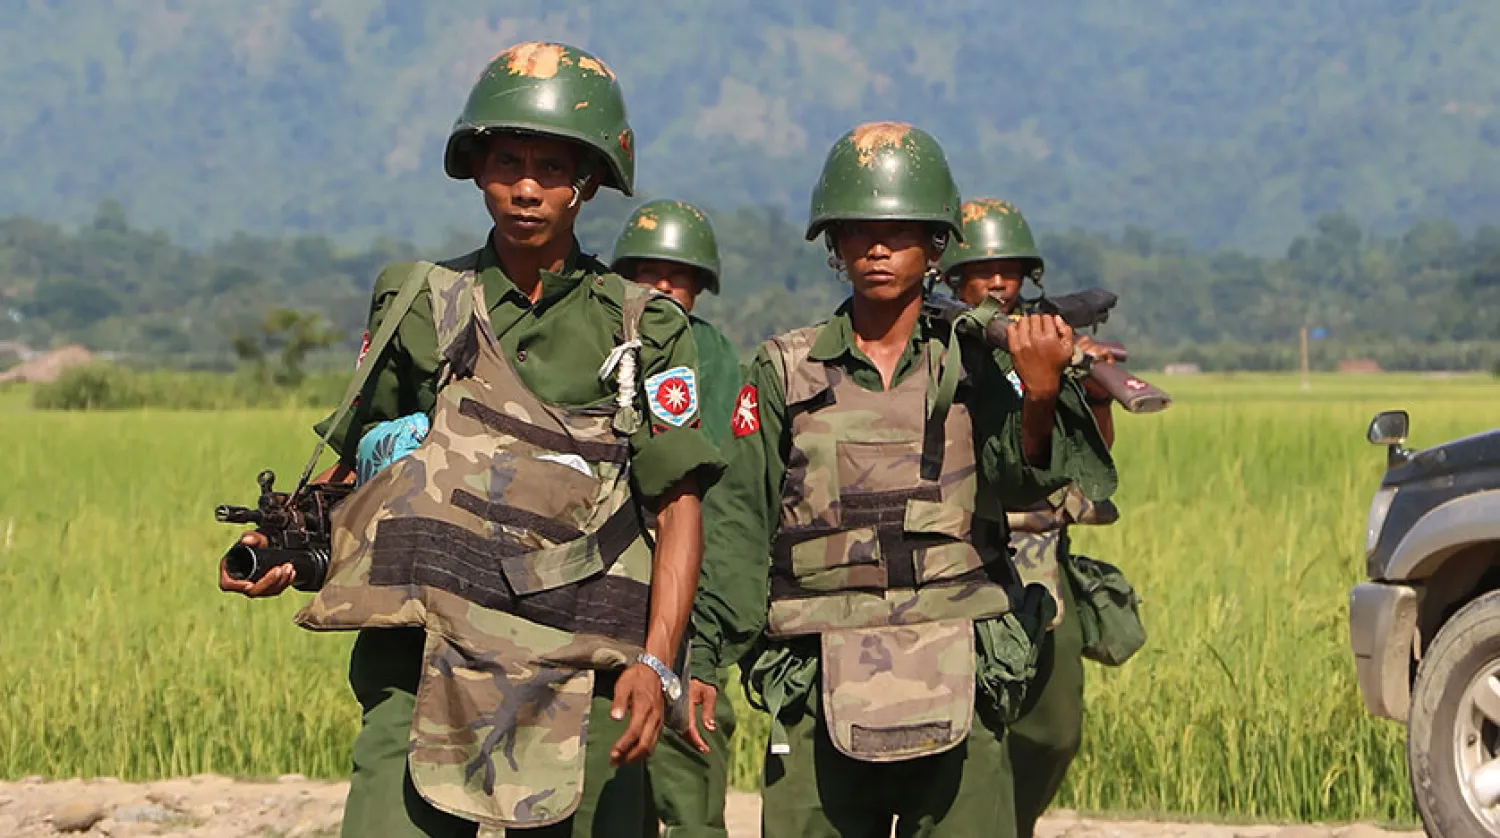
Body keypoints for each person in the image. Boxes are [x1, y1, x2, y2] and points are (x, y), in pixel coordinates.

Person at [219, 41, 725, 838]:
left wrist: (657, 661)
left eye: (552, 168)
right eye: (509, 161)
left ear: (588, 184)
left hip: (584, 659)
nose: (526, 187)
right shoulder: (419, 301)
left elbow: (679, 504)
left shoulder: (644, 327)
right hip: (423, 655)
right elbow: (366, 458)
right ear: (477, 168)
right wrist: (288, 539)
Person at [686, 123, 1116, 838]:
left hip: (957, 660)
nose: (877, 248)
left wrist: (1038, 397)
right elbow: (738, 526)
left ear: (936, 246)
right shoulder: (785, 370)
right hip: (815, 666)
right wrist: (703, 655)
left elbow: (1020, 484)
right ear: (834, 243)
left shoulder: (976, 364)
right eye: (858, 230)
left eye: (899, 231)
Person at [941, 197, 1121, 837]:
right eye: (983, 269)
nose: (997, 283)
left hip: (1044, 562)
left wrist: (1090, 388)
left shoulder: (1044, 343)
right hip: (966, 556)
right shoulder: (944, 348)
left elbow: (1087, 457)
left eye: (1010, 270)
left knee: (1053, 730)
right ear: (952, 277)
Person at [609, 199, 742, 838]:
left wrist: (708, 643)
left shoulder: (711, 357)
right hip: (603, 590)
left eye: (678, 274)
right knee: (607, 787)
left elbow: (725, 498)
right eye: (646, 270)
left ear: (701, 284)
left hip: (684, 588)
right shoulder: (602, 342)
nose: (661, 285)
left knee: (688, 788)